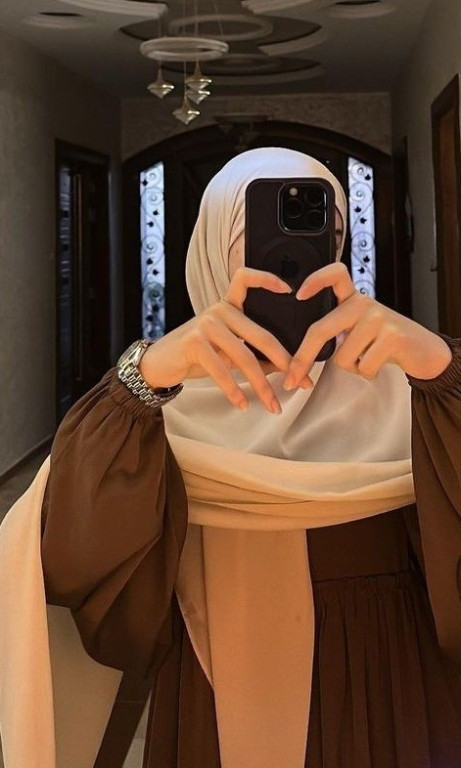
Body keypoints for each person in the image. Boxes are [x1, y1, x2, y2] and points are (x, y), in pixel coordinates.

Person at [1, 147, 461, 768]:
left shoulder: (406, 385)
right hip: (216, 681)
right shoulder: (159, 406)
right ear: (215, 253)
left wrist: (442, 371)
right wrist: (144, 378)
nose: (292, 267)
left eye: (321, 237)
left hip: (388, 678)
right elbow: (67, 554)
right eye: (261, 241)